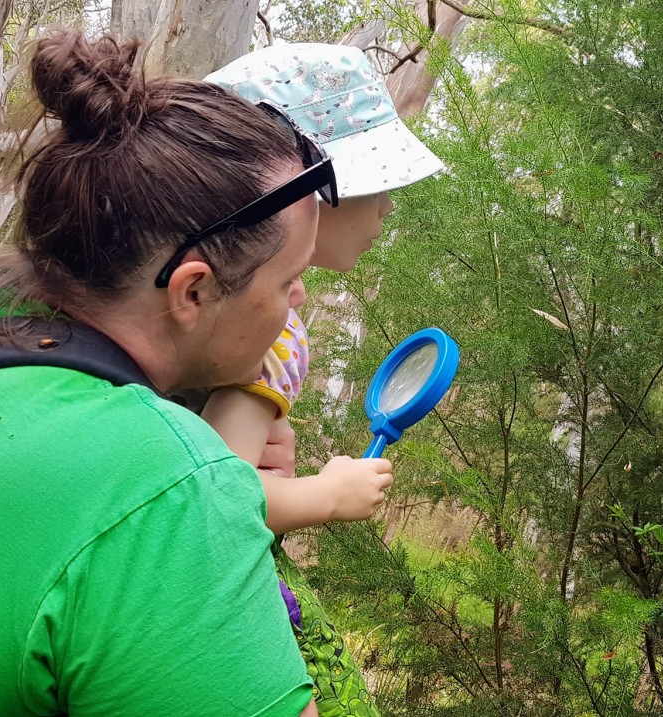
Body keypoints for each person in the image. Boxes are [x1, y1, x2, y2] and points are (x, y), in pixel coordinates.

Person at [0, 29, 331, 717]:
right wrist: (192, 468)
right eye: (289, 279)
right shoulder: (171, 493)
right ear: (192, 292)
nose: (299, 300)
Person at [202, 44, 446, 717]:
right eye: (377, 186)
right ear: (306, 191)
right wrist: (326, 495)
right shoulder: (270, 328)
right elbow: (218, 495)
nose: (388, 210)